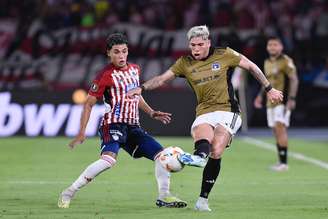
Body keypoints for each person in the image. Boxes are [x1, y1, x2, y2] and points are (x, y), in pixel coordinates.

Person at [127, 25, 283, 211]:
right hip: (204, 112)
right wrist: (142, 88)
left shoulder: (225, 54)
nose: (196, 49)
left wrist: (269, 88)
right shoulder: (184, 63)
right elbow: (162, 79)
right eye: (192, 45)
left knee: (216, 150)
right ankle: (199, 158)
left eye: (200, 44)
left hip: (228, 112)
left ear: (208, 42)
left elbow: (251, 66)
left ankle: (202, 199)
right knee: (202, 139)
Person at [58, 33, 191, 209]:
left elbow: (136, 96)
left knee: (162, 157)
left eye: (124, 51)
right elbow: (88, 104)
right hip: (113, 124)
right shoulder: (104, 75)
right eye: (116, 52)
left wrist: (151, 113)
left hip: (133, 127)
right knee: (108, 160)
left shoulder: (135, 69)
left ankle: (164, 196)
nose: (121, 56)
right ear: (109, 53)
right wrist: (82, 131)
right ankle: (69, 192)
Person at [254, 37, 298, 171]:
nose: (272, 47)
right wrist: (259, 96)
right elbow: (266, 82)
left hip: (282, 101)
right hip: (270, 102)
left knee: (280, 128)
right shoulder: (267, 62)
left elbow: (294, 79)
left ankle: (284, 164)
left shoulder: (286, 61)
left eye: (275, 45)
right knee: (275, 131)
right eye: (270, 45)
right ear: (267, 47)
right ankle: (281, 161)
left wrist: (291, 98)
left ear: (281, 47)